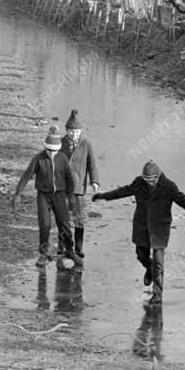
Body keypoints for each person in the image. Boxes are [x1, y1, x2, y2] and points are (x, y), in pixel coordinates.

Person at [92, 159, 185, 304]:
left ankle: (157, 295)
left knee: (158, 262)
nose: (148, 182)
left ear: (157, 177)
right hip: (142, 226)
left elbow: (183, 200)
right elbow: (123, 191)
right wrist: (103, 196)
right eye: (146, 179)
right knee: (141, 255)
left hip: (160, 228)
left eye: (151, 180)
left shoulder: (168, 186)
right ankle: (148, 267)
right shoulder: (139, 183)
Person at [12, 126, 84, 268]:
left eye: (55, 151)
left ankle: (69, 250)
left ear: (58, 149)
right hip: (43, 196)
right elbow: (27, 176)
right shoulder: (38, 159)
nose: (52, 153)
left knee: (64, 224)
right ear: (45, 148)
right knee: (44, 224)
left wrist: (71, 198)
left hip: (59, 195)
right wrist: (18, 194)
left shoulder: (62, 159)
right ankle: (43, 254)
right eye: (49, 150)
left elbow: (69, 179)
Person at [60, 109, 100, 259]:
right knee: (62, 218)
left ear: (80, 131)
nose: (74, 134)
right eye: (71, 131)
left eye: (77, 131)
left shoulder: (86, 144)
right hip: (62, 187)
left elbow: (92, 164)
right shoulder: (60, 143)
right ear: (67, 130)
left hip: (78, 188)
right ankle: (62, 246)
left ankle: (78, 247)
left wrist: (94, 181)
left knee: (79, 218)